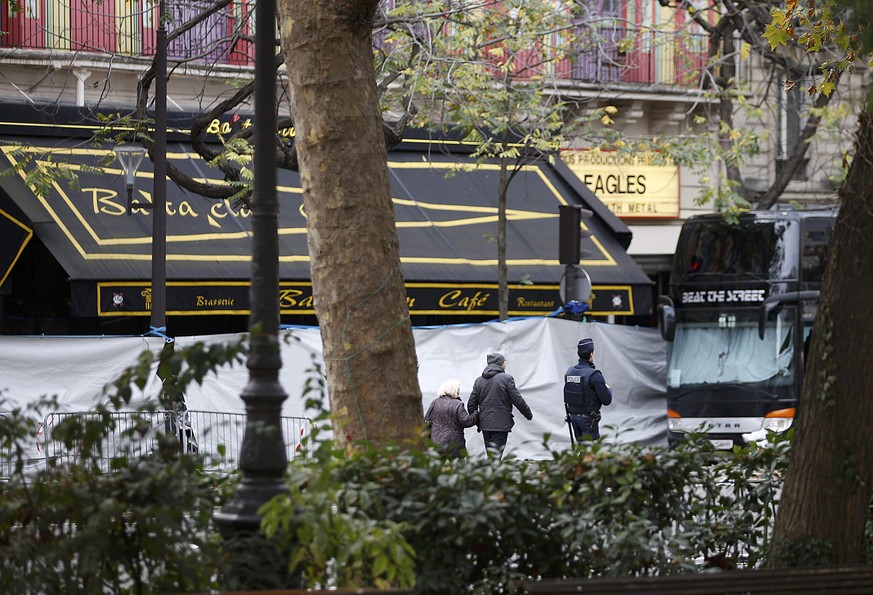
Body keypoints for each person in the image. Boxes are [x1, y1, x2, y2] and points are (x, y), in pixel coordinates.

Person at [467, 352, 533, 459]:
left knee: (491, 455)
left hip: (485, 424)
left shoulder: (479, 381)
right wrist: (528, 414)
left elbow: (471, 404)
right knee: (496, 456)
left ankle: (492, 469)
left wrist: (478, 420)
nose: (505, 364)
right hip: (501, 423)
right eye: (504, 362)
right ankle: (494, 469)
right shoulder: (506, 379)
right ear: (501, 364)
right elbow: (517, 399)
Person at [563, 337, 613, 441]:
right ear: (591, 354)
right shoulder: (594, 375)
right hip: (588, 420)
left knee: (581, 448)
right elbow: (607, 400)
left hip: (574, 418)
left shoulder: (570, 372)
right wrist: (608, 389)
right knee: (589, 450)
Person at [424, 379, 479, 458]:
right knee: (458, 465)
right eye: (458, 390)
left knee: (437, 464)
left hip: (437, 443)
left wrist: (430, 438)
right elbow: (467, 422)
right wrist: (476, 413)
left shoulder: (435, 402)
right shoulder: (458, 404)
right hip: (455, 444)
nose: (459, 392)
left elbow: (427, 421)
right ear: (454, 390)